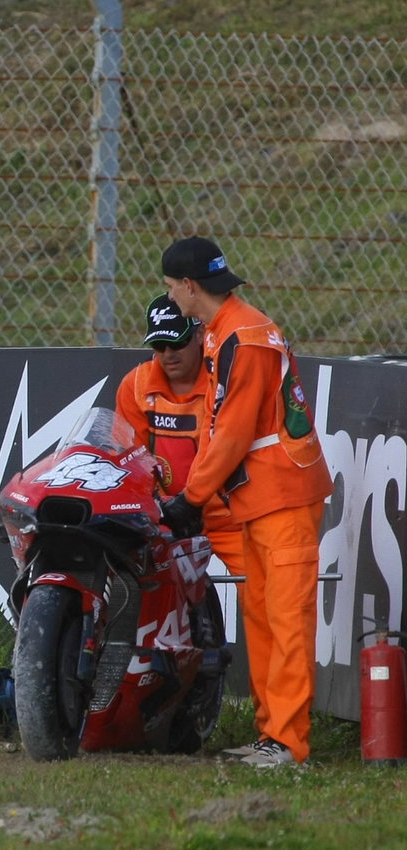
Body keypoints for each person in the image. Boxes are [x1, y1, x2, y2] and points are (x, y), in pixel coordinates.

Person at [161, 237, 331, 768]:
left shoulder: (247, 338)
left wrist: (192, 497)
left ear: (190, 286)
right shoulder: (226, 333)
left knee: (285, 619)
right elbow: (222, 431)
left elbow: (232, 434)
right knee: (261, 617)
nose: (169, 297)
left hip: (282, 496)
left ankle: (287, 742)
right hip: (259, 498)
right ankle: (271, 735)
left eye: (170, 287)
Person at [114, 295, 245, 578]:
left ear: (200, 334)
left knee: (264, 598)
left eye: (177, 343)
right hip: (164, 519)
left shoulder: (222, 381)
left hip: (229, 519)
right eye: (159, 346)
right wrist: (164, 509)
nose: (168, 354)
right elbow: (130, 461)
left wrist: (194, 503)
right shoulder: (135, 386)